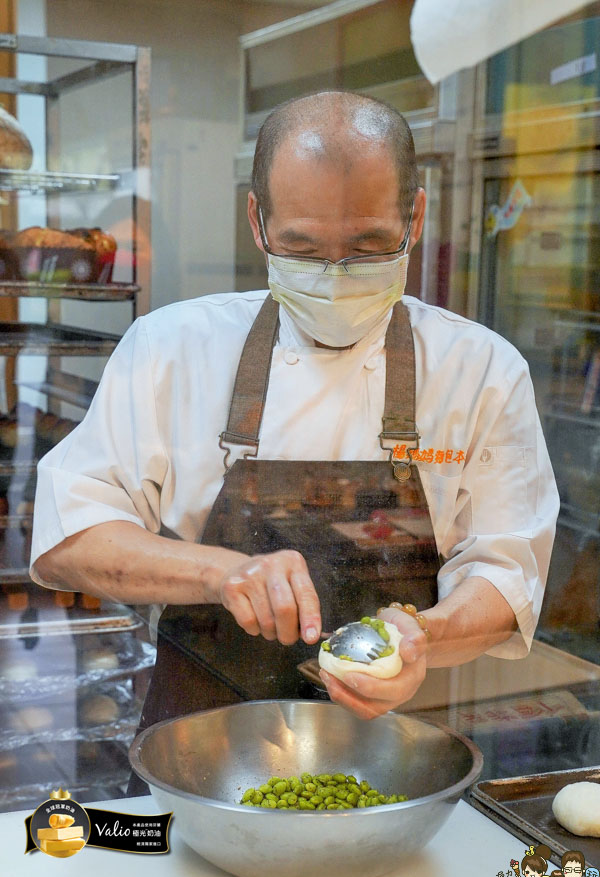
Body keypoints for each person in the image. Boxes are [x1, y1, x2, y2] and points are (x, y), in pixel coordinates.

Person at [30, 90, 559, 725]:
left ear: (415, 217)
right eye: (303, 251)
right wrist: (219, 572)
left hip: (399, 741)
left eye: (369, 247)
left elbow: (507, 572)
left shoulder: (481, 370)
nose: (335, 275)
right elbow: (69, 536)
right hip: (201, 742)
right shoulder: (171, 349)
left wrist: (425, 636)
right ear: (257, 222)